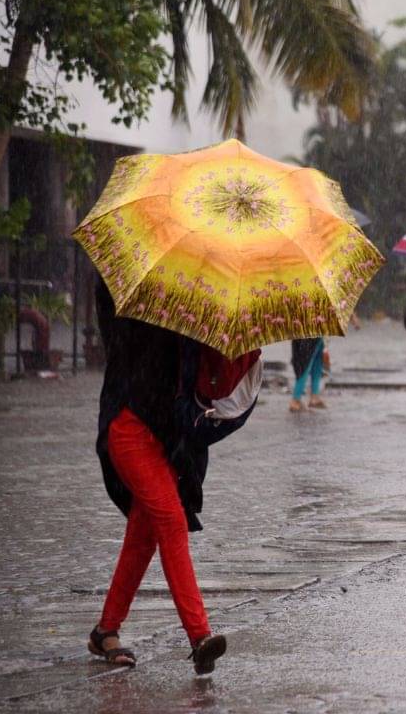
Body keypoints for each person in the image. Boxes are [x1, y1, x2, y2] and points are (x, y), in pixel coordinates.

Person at [91, 281, 262, 675]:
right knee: (169, 519)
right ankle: (200, 636)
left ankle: (105, 630)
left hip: (169, 439)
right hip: (128, 423)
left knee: (144, 533)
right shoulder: (132, 291)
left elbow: (203, 384)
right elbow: (119, 338)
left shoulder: (198, 298)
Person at [290, 337, 325, 412]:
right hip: (308, 333)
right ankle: (296, 400)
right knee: (305, 365)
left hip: (316, 334)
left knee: (317, 363)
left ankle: (314, 397)